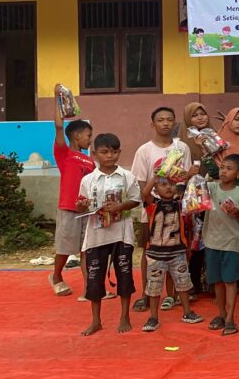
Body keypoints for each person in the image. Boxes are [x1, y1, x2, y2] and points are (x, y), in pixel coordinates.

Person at [76, 133, 141, 336]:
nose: (110, 156)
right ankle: (96, 320)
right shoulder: (88, 180)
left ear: (119, 152)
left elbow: (136, 200)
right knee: (94, 277)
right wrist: (81, 206)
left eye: (114, 151)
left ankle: (125, 316)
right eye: (104, 152)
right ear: (94, 154)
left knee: (124, 274)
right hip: (96, 234)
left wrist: (120, 205)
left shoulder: (127, 176)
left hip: (122, 233)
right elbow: (82, 206)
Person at [130, 107, 193, 313]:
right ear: (152, 124)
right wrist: (150, 201)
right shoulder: (144, 151)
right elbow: (140, 182)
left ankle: (172, 295)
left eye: (169, 120)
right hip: (152, 210)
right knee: (149, 253)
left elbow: (186, 178)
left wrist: (180, 200)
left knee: (176, 252)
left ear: (174, 123)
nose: (165, 123)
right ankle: (147, 294)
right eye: (160, 120)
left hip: (176, 210)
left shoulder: (182, 147)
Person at [139, 165, 203, 332]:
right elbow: (144, 194)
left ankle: (187, 312)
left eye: (171, 184)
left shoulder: (181, 204)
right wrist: (156, 176)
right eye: (163, 184)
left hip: (177, 253)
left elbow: (190, 192)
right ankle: (153, 317)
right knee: (154, 287)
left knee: (183, 284)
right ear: (156, 188)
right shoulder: (153, 204)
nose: (168, 187)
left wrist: (188, 176)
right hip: (155, 253)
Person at [50, 84, 95, 298]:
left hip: (86, 209)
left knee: (86, 249)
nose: (90, 139)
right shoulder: (64, 153)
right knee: (65, 247)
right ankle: (56, 276)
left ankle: (89, 288)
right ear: (76, 136)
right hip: (68, 207)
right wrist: (57, 98)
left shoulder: (90, 160)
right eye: (88, 135)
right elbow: (59, 127)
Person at [203, 154, 239, 336]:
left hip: (231, 241)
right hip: (211, 240)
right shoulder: (211, 188)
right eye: (222, 167)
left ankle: (230, 317)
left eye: (229, 168)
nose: (224, 171)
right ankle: (221, 313)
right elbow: (195, 192)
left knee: (230, 280)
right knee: (217, 280)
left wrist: (237, 213)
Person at [178, 102, 213, 176]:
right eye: (194, 116)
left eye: (203, 114)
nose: (200, 118)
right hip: (190, 184)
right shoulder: (183, 140)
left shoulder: (215, 135)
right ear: (188, 119)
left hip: (215, 182)